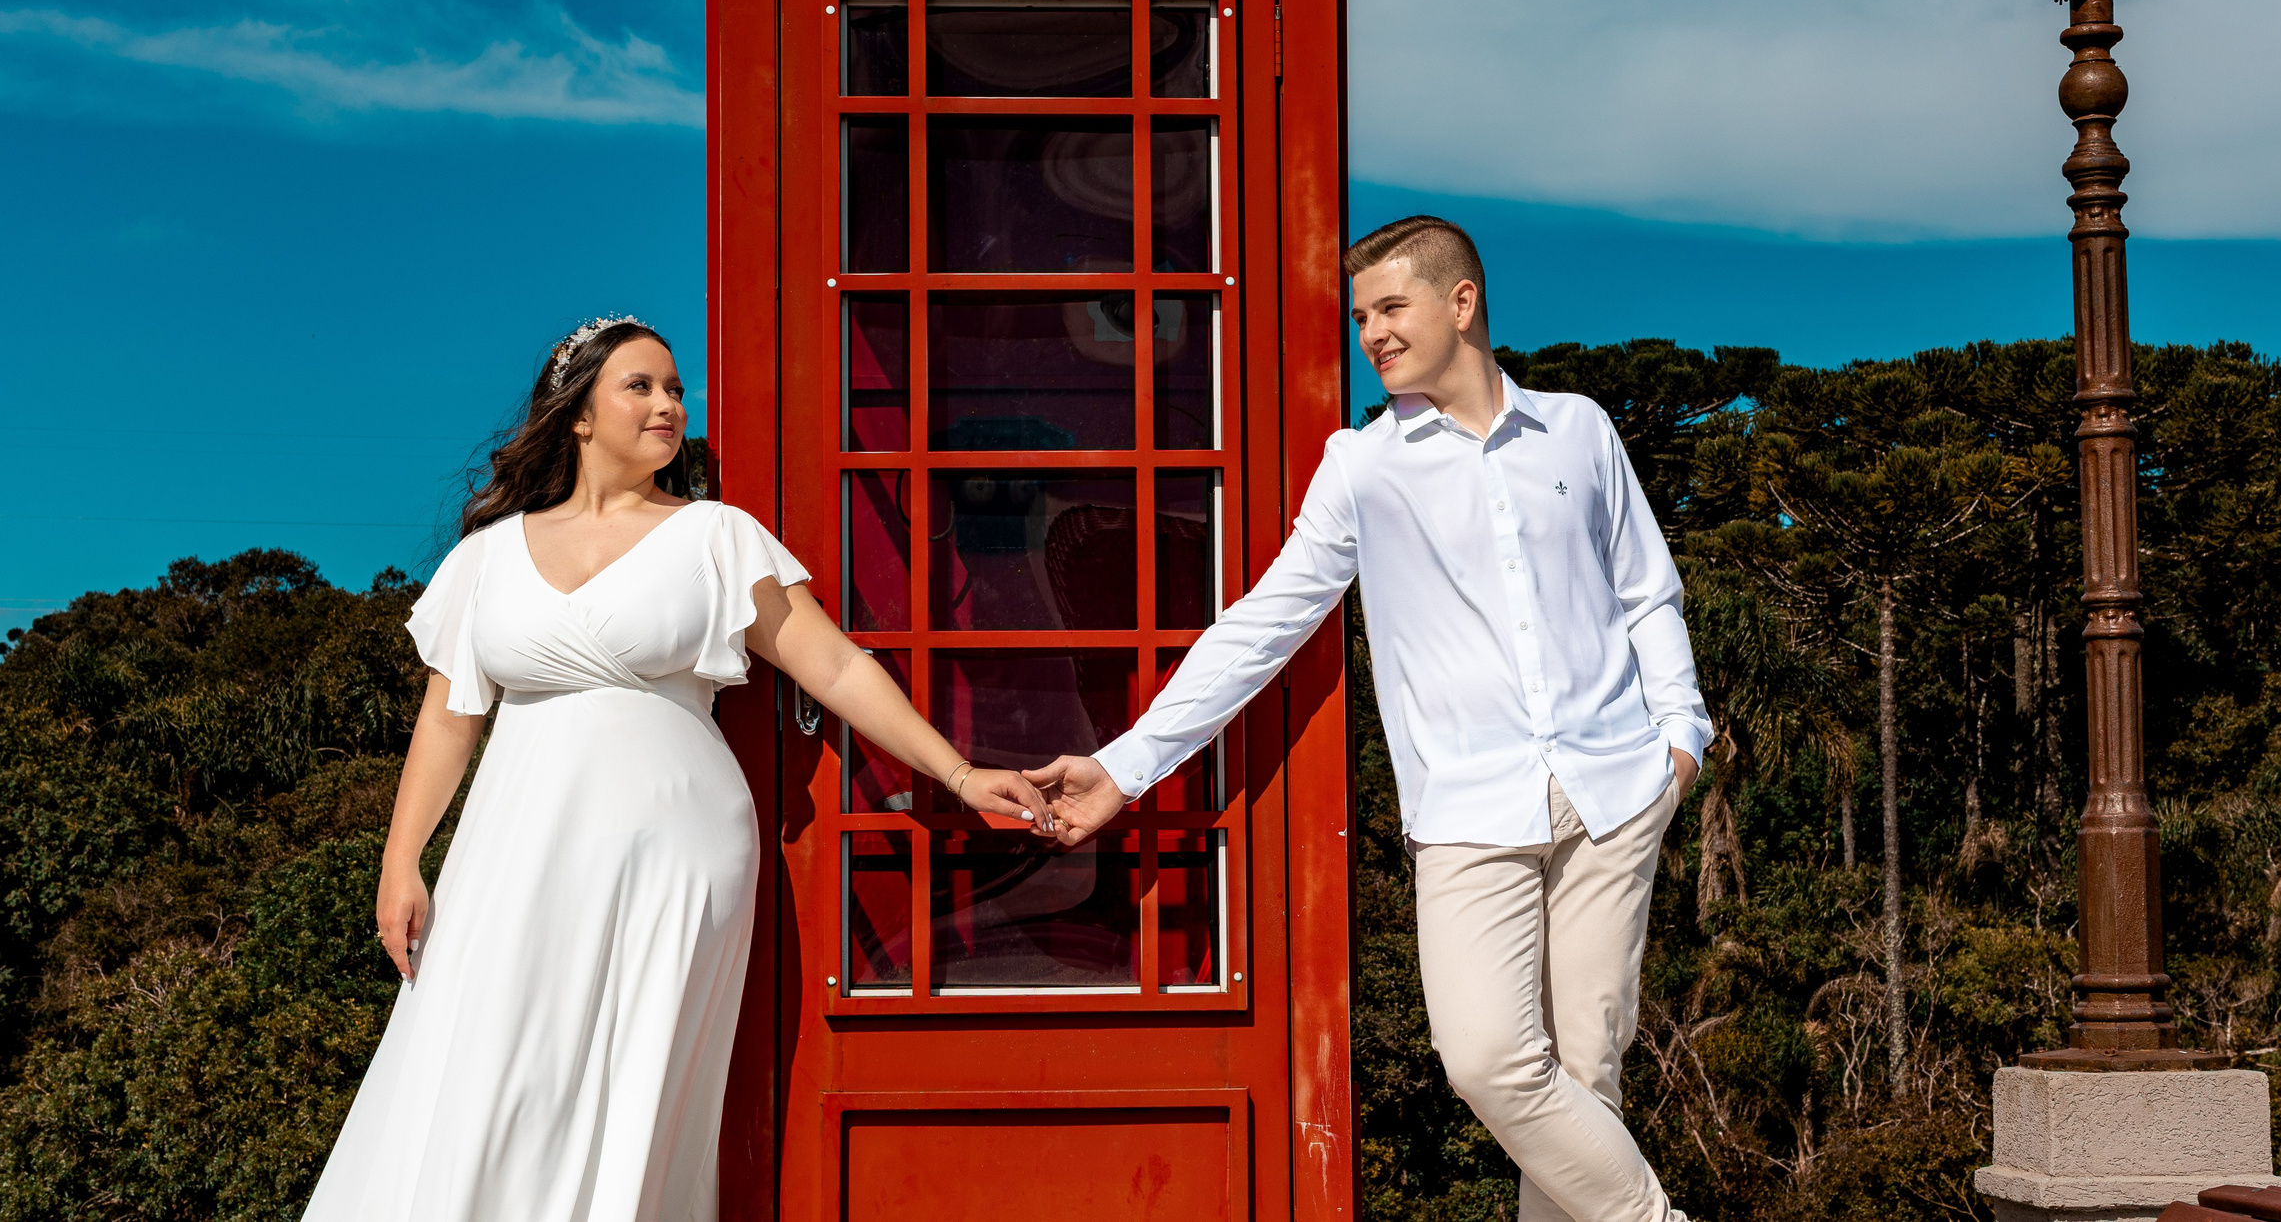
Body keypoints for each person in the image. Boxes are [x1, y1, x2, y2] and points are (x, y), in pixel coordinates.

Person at [1031, 217, 1709, 1222]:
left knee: (1582, 1080)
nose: (1371, 334)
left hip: (1613, 790)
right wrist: (1127, 765)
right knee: (1486, 1062)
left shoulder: (1579, 431)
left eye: (1390, 308)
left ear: (1461, 304)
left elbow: (1646, 591)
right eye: (1360, 317)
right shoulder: (1363, 466)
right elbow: (1262, 624)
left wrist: (1679, 742)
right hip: (1470, 812)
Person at [305, 317, 1051, 1222]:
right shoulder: (488, 556)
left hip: (676, 848)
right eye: (642, 386)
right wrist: (400, 860)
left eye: (676, 389)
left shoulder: (716, 536)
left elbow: (836, 664)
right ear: (577, 415)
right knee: (489, 1063)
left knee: (634, 1082)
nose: (670, 406)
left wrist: (961, 773)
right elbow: (449, 716)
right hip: (515, 846)